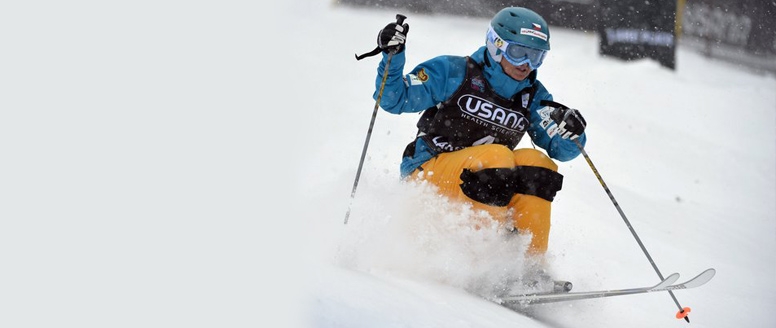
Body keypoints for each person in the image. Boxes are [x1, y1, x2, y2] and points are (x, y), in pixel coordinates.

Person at [370, 7, 588, 260]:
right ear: (496, 46)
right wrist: (393, 57)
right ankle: (480, 260)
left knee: (537, 163)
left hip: (485, 183)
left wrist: (573, 133)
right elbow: (394, 99)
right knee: (496, 157)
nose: (527, 65)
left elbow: (560, 149)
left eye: (537, 56)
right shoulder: (454, 71)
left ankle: (530, 266)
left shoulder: (533, 96)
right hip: (429, 173)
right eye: (519, 53)